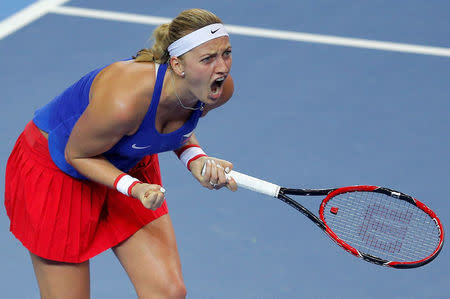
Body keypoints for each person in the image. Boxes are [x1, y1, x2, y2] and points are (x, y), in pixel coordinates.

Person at [4, 8, 237, 299]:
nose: (222, 67)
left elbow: (177, 125)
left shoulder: (217, 90)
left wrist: (196, 159)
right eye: (208, 58)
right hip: (59, 170)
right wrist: (134, 187)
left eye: (226, 53)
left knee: (167, 292)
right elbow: (77, 154)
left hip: (126, 159)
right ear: (178, 65)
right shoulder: (124, 100)